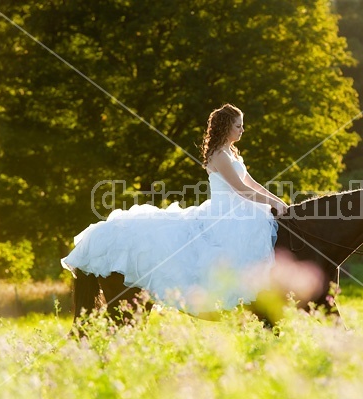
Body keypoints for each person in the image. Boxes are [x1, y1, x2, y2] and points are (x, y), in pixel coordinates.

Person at [61, 104, 288, 315]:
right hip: (226, 213)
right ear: (226, 127)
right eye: (238, 125)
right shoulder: (219, 155)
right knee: (221, 255)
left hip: (241, 211)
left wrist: (277, 200)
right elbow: (239, 189)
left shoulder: (233, 153)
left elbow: (253, 185)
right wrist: (272, 204)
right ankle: (224, 302)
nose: (242, 130)